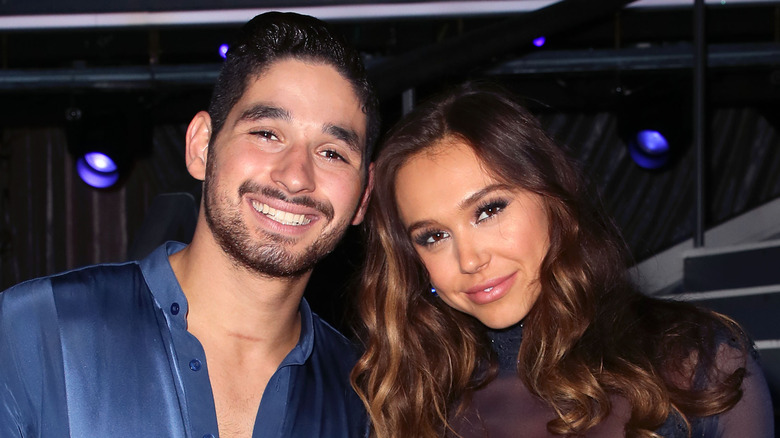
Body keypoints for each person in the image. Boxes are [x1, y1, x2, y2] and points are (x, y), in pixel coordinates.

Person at [0, 11, 378, 438]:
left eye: (332, 153)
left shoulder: (366, 401)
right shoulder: (32, 332)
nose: (295, 176)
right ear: (202, 147)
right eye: (267, 133)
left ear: (364, 195)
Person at [350, 82, 773, 438]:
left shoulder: (695, 362)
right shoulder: (405, 400)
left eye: (489, 210)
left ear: (553, 201)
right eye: (434, 236)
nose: (470, 259)